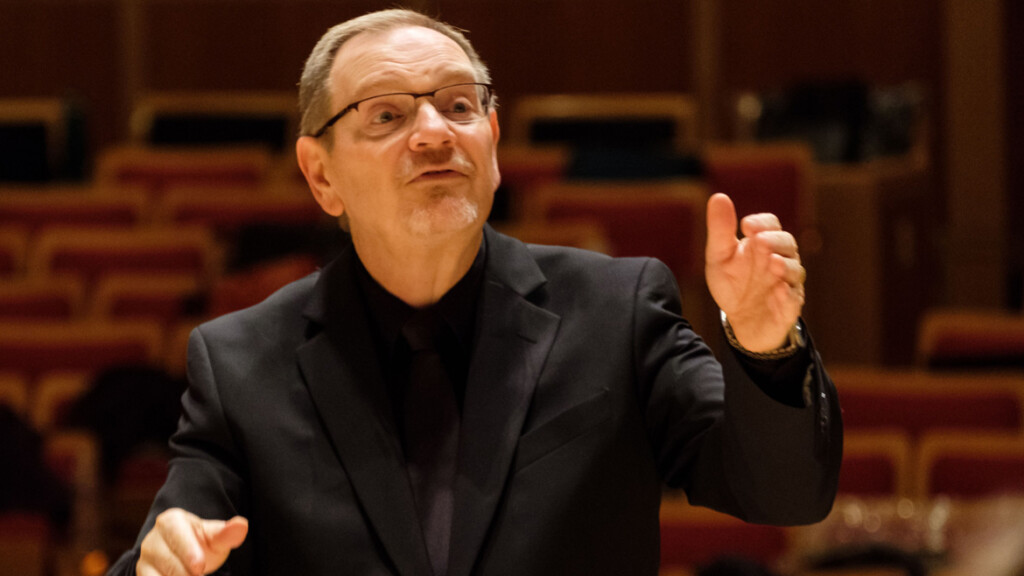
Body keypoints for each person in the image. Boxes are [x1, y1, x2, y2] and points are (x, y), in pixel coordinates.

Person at [109, 8, 841, 576]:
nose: (434, 132)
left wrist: (764, 346)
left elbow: (782, 494)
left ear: (492, 143)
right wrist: (163, 561)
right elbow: (172, 550)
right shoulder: (240, 364)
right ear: (320, 174)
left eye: (459, 106)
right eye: (387, 115)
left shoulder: (616, 311)